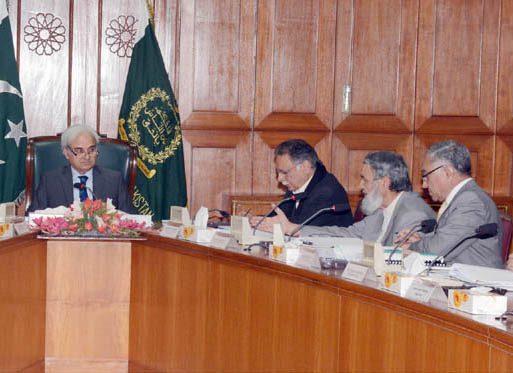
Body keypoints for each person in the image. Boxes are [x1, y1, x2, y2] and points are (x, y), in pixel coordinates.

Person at [268, 151, 436, 243]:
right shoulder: (381, 212)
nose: (360, 186)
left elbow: (399, 262)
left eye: (365, 179)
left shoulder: (412, 215)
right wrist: (295, 229)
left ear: (384, 183)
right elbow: (346, 234)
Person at [397, 140, 503, 268]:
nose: (424, 185)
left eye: (426, 176)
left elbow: (436, 251)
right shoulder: (462, 198)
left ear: (448, 172)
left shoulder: (471, 200)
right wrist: (419, 239)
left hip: (474, 285)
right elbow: (445, 240)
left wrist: (410, 246)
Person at [27, 125, 137, 214]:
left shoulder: (114, 179)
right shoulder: (50, 181)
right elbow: (32, 218)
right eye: (79, 151)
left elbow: (131, 219)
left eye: (91, 150)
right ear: (66, 153)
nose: (87, 156)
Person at [251, 139, 353, 229]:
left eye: (284, 172)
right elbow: (277, 219)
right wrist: (254, 220)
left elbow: (298, 230)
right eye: (278, 172)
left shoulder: (327, 192)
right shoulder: (296, 186)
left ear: (305, 167)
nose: (279, 178)